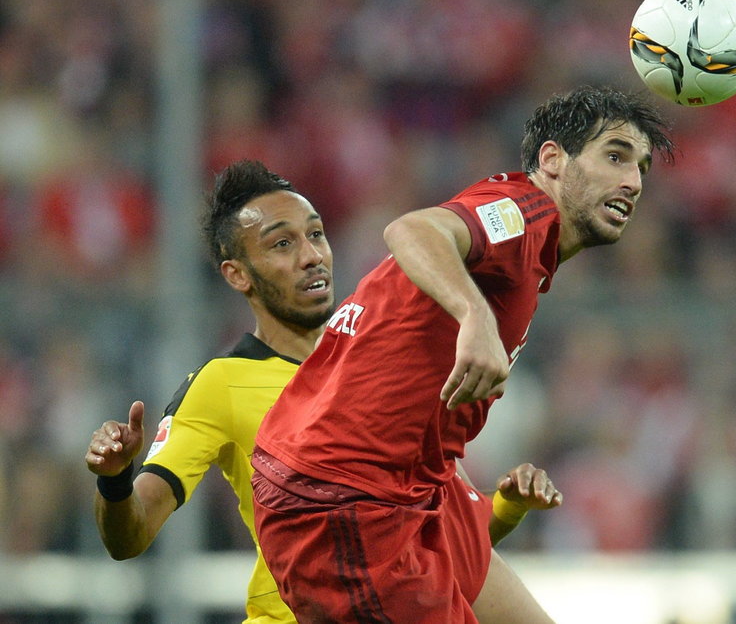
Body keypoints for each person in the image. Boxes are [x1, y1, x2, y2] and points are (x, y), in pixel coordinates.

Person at [250, 85, 675, 622]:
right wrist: (474, 317)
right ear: (552, 160)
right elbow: (413, 229)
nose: (632, 182)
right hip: (342, 497)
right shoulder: (521, 212)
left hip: (418, 485)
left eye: (640, 167)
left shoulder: (531, 256)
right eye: (614, 156)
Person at [84, 160, 562, 624]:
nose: (311, 255)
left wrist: (506, 506)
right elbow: (131, 537)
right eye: (282, 244)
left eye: (315, 234)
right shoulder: (221, 383)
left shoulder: (378, 358)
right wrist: (115, 478)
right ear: (238, 274)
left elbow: (428, 545)